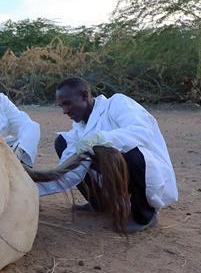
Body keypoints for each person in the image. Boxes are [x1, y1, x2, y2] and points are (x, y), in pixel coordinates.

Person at [36, 77, 178, 234]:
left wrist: (102, 138)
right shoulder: (79, 128)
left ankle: (144, 215)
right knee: (62, 142)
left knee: (131, 152)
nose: (64, 111)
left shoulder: (117, 103)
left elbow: (142, 131)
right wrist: (32, 188)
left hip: (143, 171)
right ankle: (100, 203)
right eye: (61, 105)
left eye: (67, 103)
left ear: (85, 96)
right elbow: (69, 171)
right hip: (116, 175)